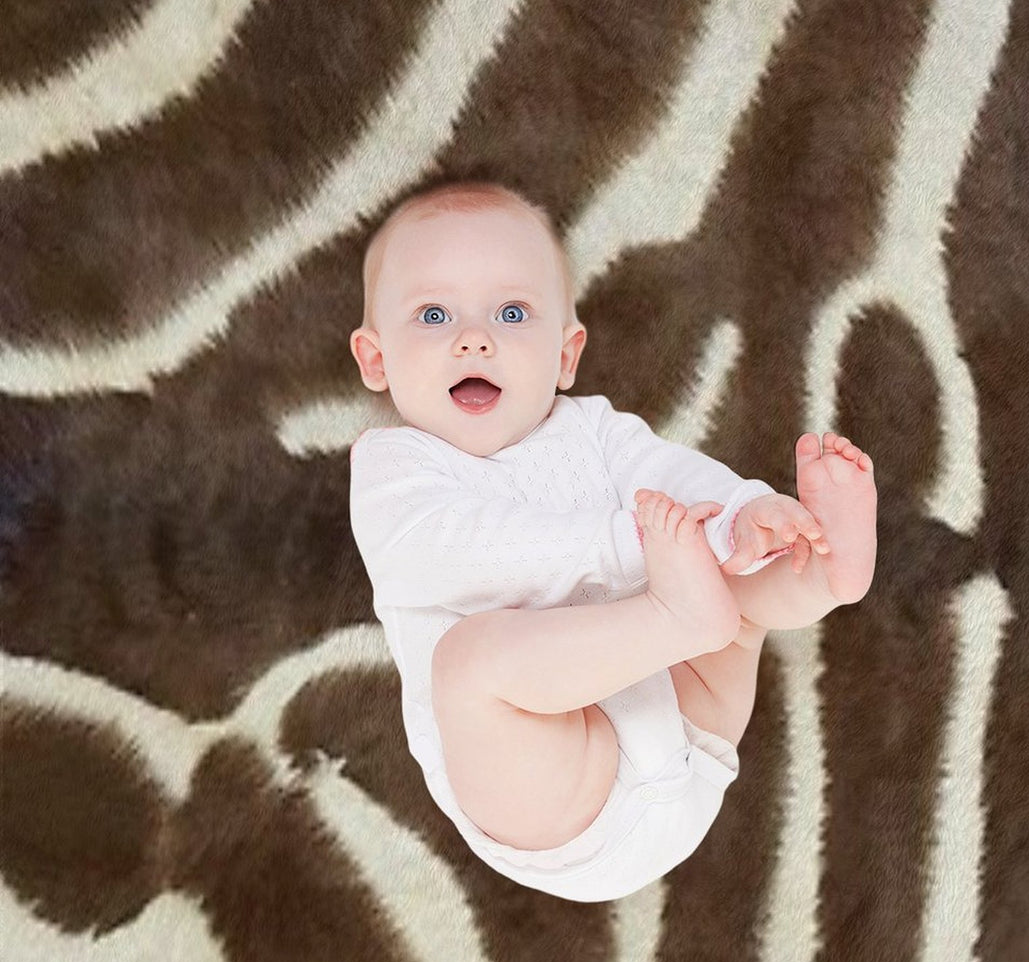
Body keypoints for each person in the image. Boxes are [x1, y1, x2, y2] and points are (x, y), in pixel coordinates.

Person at [348, 179, 877, 902]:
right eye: (434, 314)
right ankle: (682, 615)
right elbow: (458, 554)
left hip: (691, 727)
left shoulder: (593, 429)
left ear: (565, 356)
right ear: (376, 360)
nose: (475, 338)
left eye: (512, 312)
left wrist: (741, 514)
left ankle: (820, 570)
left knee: (736, 586)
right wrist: (635, 545)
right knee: (468, 665)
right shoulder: (395, 469)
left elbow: (671, 475)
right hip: (561, 797)